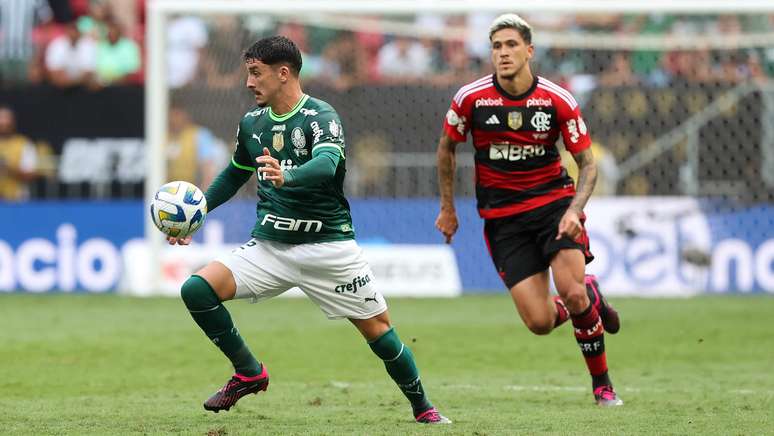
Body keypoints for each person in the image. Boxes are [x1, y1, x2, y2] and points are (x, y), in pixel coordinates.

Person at [167, 36, 450, 424]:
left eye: (256, 73)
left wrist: (289, 175)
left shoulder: (321, 116)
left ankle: (424, 408)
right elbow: (235, 174)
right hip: (271, 246)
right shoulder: (252, 123)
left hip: (329, 247)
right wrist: (196, 212)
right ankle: (249, 372)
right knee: (196, 289)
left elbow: (327, 163)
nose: (249, 82)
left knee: (380, 333)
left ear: (283, 73)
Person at [434, 14, 624, 406]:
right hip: (503, 220)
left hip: (554, 207)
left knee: (570, 294)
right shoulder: (470, 98)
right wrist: (448, 208)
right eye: (497, 47)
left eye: (511, 45)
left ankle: (603, 385)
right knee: (539, 323)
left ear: (529, 51)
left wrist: (574, 209)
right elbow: (446, 148)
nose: (503, 53)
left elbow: (588, 164)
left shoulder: (557, 99)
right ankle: (591, 294)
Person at [0, 106, 38, 200]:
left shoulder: (24, 144)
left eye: (6, 122)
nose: (4, 125)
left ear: (13, 123)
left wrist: (8, 168)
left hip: (17, 201)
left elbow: (30, 175)